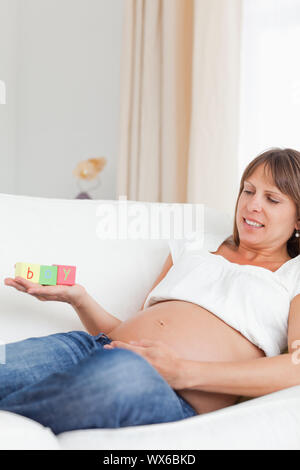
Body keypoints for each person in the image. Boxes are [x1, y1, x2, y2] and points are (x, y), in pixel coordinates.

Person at [2, 147, 300, 436]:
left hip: (168, 391)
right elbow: (128, 333)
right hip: (94, 346)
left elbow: (296, 367)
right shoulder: (193, 247)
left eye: (272, 199)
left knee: (121, 373)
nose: (252, 205)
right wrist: (78, 298)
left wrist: (183, 371)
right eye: (248, 191)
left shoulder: (294, 274)